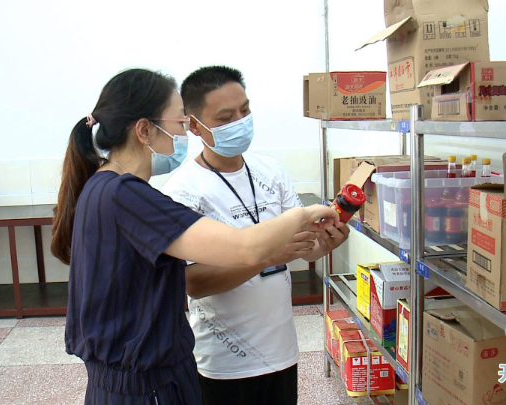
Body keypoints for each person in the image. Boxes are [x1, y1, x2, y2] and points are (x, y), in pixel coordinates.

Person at [50, 68, 340, 405]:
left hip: (145, 376)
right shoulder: (127, 195)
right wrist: (303, 215)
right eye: (179, 125)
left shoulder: (105, 187)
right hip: (146, 386)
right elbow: (244, 248)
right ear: (145, 130)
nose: (185, 136)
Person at [162, 66, 350, 405]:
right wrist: (268, 256)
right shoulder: (183, 192)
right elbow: (193, 283)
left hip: (281, 349)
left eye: (244, 111)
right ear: (194, 126)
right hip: (224, 361)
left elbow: (305, 248)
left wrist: (325, 243)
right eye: (225, 117)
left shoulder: (270, 171)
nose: (240, 122)